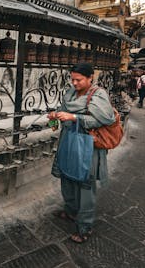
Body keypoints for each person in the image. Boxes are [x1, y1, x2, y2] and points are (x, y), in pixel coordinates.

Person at [48, 63, 115, 244]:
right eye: (73, 79)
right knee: (67, 177)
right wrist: (56, 115)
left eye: (79, 79)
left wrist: (75, 117)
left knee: (85, 183)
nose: (75, 83)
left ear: (90, 77)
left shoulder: (98, 94)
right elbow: (64, 110)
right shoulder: (70, 93)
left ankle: (84, 226)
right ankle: (70, 211)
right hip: (69, 140)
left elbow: (106, 119)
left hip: (87, 144)